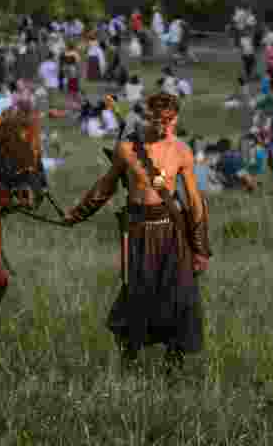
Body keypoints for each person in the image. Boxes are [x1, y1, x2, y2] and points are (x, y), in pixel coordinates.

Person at [63, 92, 210, 369]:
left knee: (177, 293)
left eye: (169, 121)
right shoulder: (127, 149)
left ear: (176, 118)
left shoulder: (182, 152)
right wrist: (78, 214)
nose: (163, 127)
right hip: (138, 230)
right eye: (157, 120)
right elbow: (105, 187)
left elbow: (195, 202)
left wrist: (200, 248)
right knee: (137, 292)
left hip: (171, 230)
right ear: (148, 117)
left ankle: (173, 362)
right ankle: (128, 359)